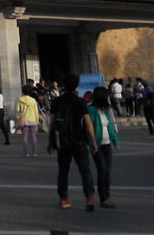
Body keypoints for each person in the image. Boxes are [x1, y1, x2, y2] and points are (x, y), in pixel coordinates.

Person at [48, 73, 97, 211]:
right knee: (85, 170)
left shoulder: (56, 101)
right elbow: (88, 123)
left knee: (63, 170)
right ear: (76, 85)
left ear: (63, 85)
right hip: (79, 140)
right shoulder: (80, 101)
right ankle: (89, 198)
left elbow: (51, 123)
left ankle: (63, 199)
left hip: (63, 141)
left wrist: (50, 141)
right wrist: (93, 141)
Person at [87, 87, 120, 208]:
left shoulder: (105, 110)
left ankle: (107, 196)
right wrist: (92, 143)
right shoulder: (91, 110)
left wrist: (115, 141)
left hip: (107, 145)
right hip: (97, 145)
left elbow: (110, 126)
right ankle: (103, 198)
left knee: (108, 173)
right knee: (103, 171)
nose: (108, 98)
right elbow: (88, 128)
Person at [16, 85, 40, 158]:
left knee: (25, 137)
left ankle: (26, 153)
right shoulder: (33, 100)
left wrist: (18, 119)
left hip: (24, 120)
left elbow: (18, 111)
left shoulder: (20, 100)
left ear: (23, 91)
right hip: (33, 120)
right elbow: (36, 112)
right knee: (33, 137)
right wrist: (37, 121)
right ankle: (34, 153)